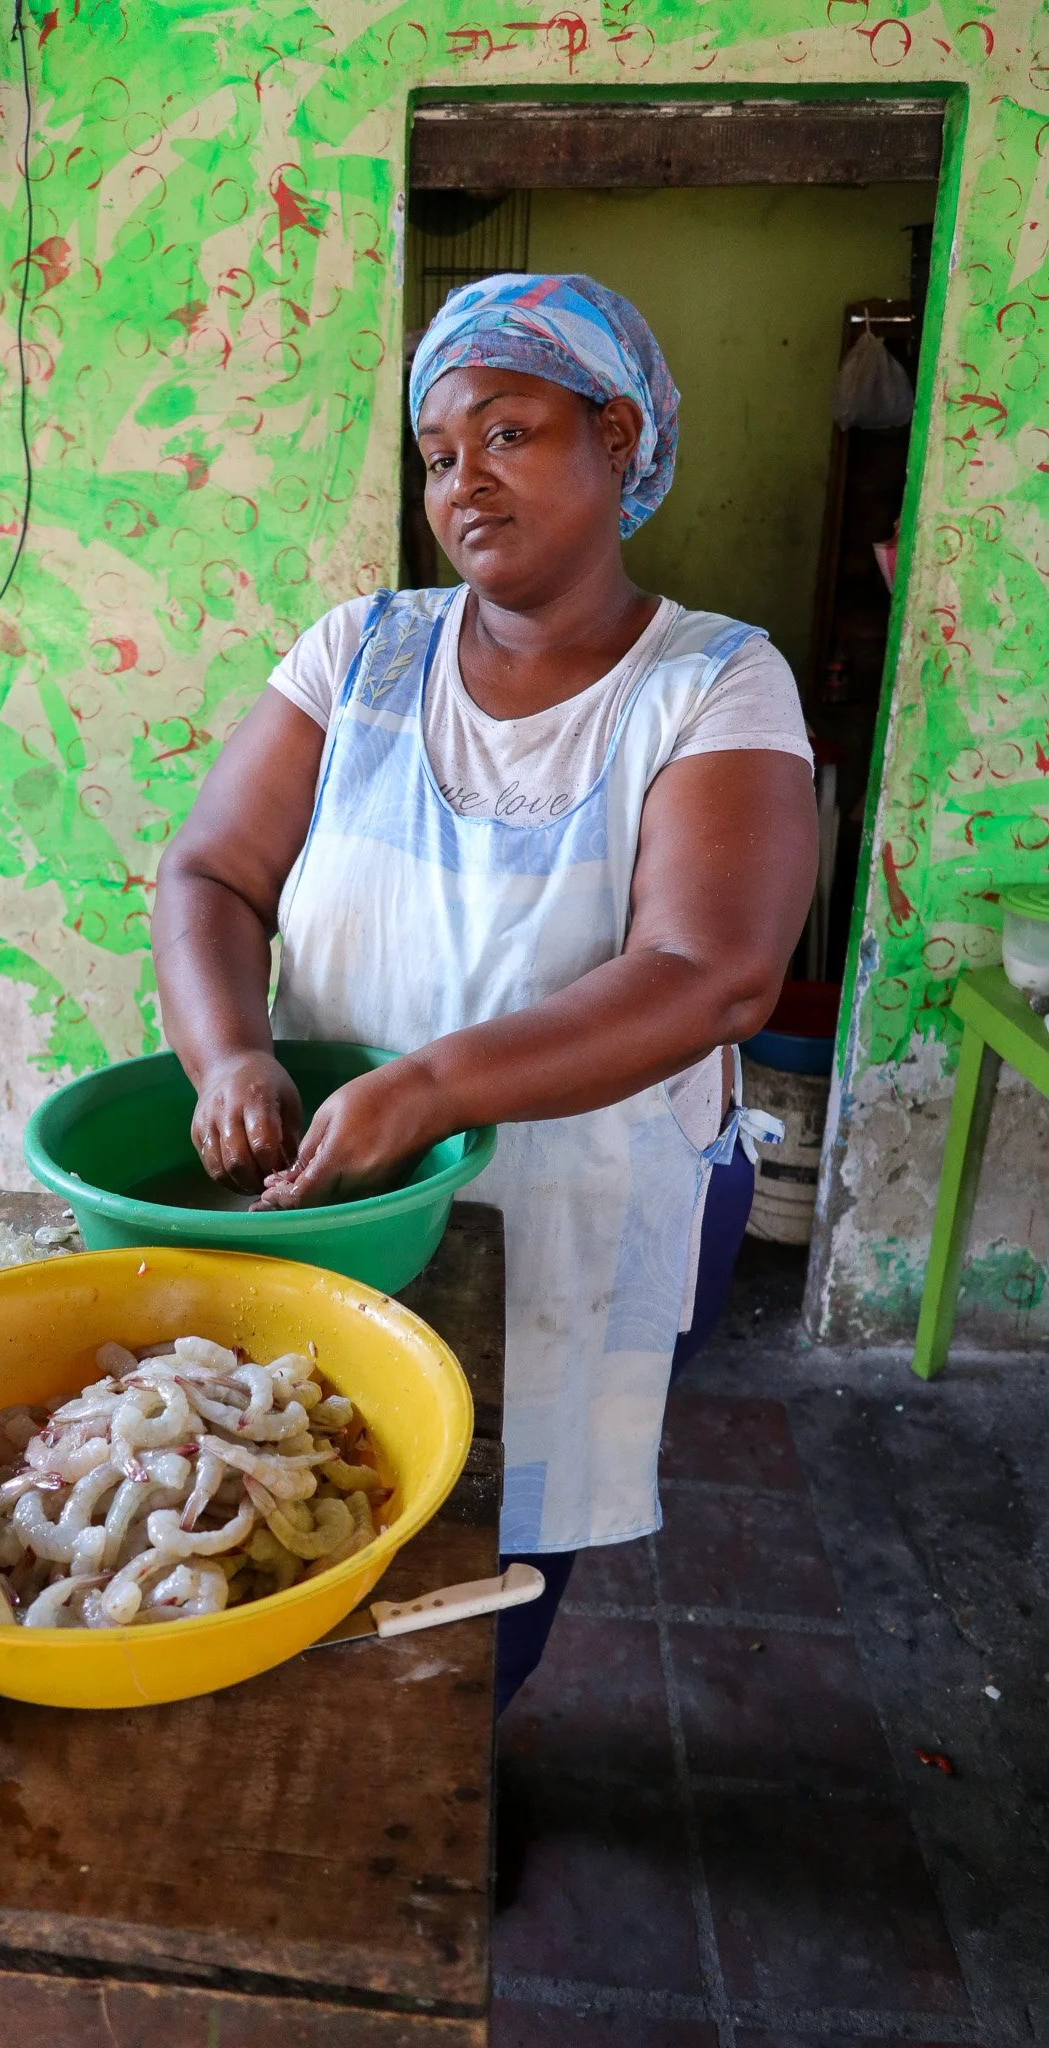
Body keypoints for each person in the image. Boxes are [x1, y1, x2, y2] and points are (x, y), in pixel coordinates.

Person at [151, 273, 818, 1713]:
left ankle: (459, 1795)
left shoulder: (714, 684)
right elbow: (210, 874)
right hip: (336, 1200)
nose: (464, 481)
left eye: (508, 433)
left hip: (571, 1221)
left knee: (483, 1564)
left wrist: (433, 1086)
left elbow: (714, 971)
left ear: (619, 433)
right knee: (300, 1497)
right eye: (441, 455)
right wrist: (227, 1057)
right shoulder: (360, 655)